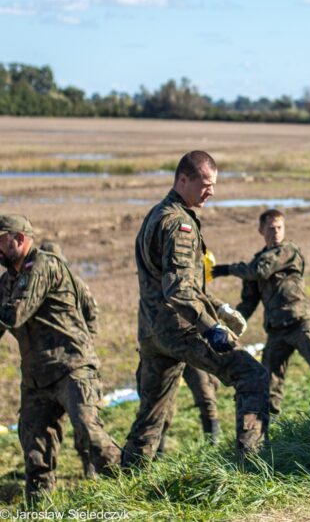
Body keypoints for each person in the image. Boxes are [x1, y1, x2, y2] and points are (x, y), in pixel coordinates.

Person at [121, 151, 269, 465]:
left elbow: (171, 282)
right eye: (205, 184)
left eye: (213, 185)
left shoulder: (157, 214)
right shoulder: (180, 226)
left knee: (151, 414)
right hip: (180, 330)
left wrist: (219, 306)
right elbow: (178, 290)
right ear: (183, 179)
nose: (211, 192)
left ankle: (127, 480)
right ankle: (252, 466)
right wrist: (211, 326)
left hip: (152, 332)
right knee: (252, 376)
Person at [0, 216, 121, 501]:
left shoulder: (43, 265)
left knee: (90, 434)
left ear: (19, 238)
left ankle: (131, 490)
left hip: (71, 368)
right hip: (36, 377)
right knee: (35, 452)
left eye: (0, 240)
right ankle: (38, 511)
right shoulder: (7, 281)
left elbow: (15, 314)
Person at [211, 209, 310, 416]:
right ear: (260, 230)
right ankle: (268, 427)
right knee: (269, 382)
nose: (275, 232)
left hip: (299, 323)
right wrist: (229, 328)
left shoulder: (287, 251)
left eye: (279, 228)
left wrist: (226, 269)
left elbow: (260, 271)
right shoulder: (256, 261)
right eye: (271, 228)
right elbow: (248, 303)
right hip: (276, 331)